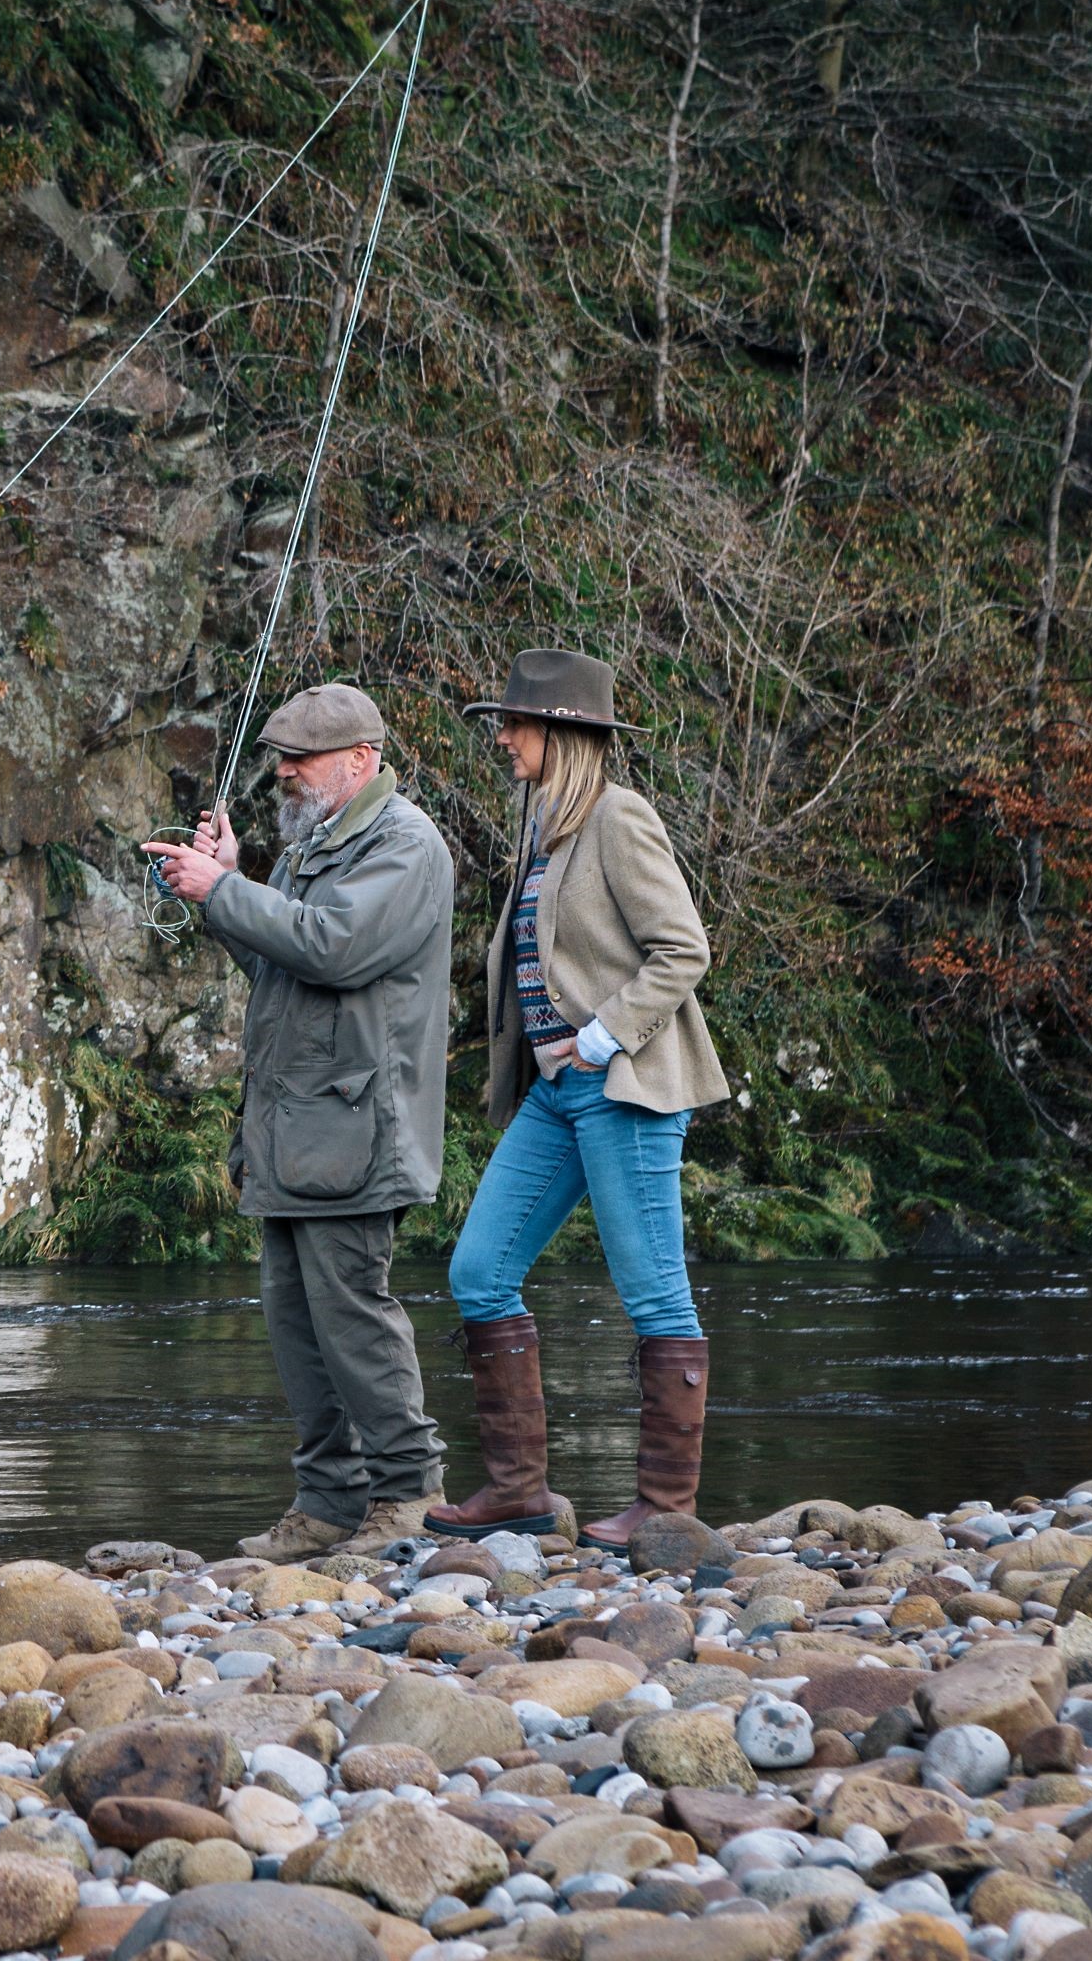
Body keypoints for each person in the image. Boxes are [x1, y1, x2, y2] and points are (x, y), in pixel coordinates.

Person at [425, 649, 729, 1551]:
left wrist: (597, 1038)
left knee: (656, 1295)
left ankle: (667, 1507)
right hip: (557, 1095)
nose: (503, 737)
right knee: (478, 1270)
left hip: (622, 1088)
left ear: (561, 734)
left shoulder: (619, 819)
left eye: (515, 724)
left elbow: (683, 949)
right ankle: (519, 1490)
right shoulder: (545, 826)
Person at [144, 684, 456, 1560]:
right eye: (281, 755)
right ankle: (327, 1502)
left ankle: (410, 1494)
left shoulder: (406, 845)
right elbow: (280, 964)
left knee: (354, 1314)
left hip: (359, 1134)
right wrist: (222, 892)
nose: (283, 771)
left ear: (361, 760)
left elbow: (334, 946)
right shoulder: (309, 847)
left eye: (302, 757)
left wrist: (228, 890)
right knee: (294, 1322)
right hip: (293, 1136)